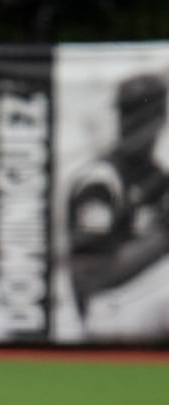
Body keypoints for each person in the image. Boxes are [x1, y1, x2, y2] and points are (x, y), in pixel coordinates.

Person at [66, 71, 169, 340]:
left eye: (145, 112)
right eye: (129, 113)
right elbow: (90, 274)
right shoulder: (102, 180)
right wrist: (162, 236)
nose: (134, 123)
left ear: (160, 117)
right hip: (112, 308)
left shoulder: (158, 177)